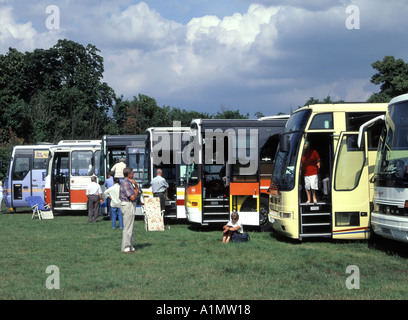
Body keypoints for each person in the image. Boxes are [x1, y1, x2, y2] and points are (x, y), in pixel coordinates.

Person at [120, 167, 138, 253]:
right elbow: (133, 197)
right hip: (128, 204)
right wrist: (136, 187)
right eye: (132, 173)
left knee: (131, 227)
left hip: (129, 205)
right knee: (128, 227)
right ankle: (126, 248)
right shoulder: (126, 183)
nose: (134, 174)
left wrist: (136, 187)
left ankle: (131, 246)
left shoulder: (129, 182)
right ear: (129, 174)